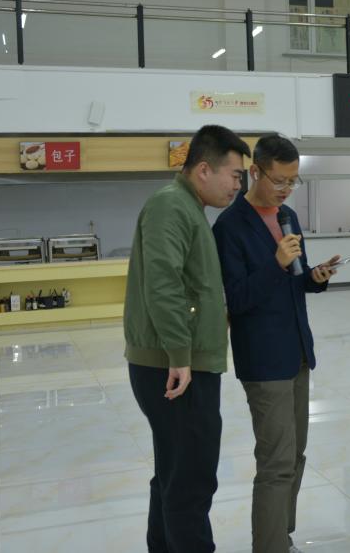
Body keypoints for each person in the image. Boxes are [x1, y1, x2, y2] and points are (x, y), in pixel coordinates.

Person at [123, 124, 250, 553]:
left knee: (175, 474)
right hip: (176, 366)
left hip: (184, 362)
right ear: (203, 170)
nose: (238, 185)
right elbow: (164, 285)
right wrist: (180, 355)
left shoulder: (189, 207)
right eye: (234, 175)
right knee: (191, 479)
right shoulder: (171, 206)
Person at [212, 134, 339, 553]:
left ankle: (281, 536)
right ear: (255, 172)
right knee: (276, 461)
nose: (286, 189)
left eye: (293, 181)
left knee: (296, 454)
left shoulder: (287, 217)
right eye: (279, 180)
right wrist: (276, 263)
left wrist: (315, 277)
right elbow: (236, 299)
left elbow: (296, 279)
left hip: (297, 352)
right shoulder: (230, 226)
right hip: (264, 360)